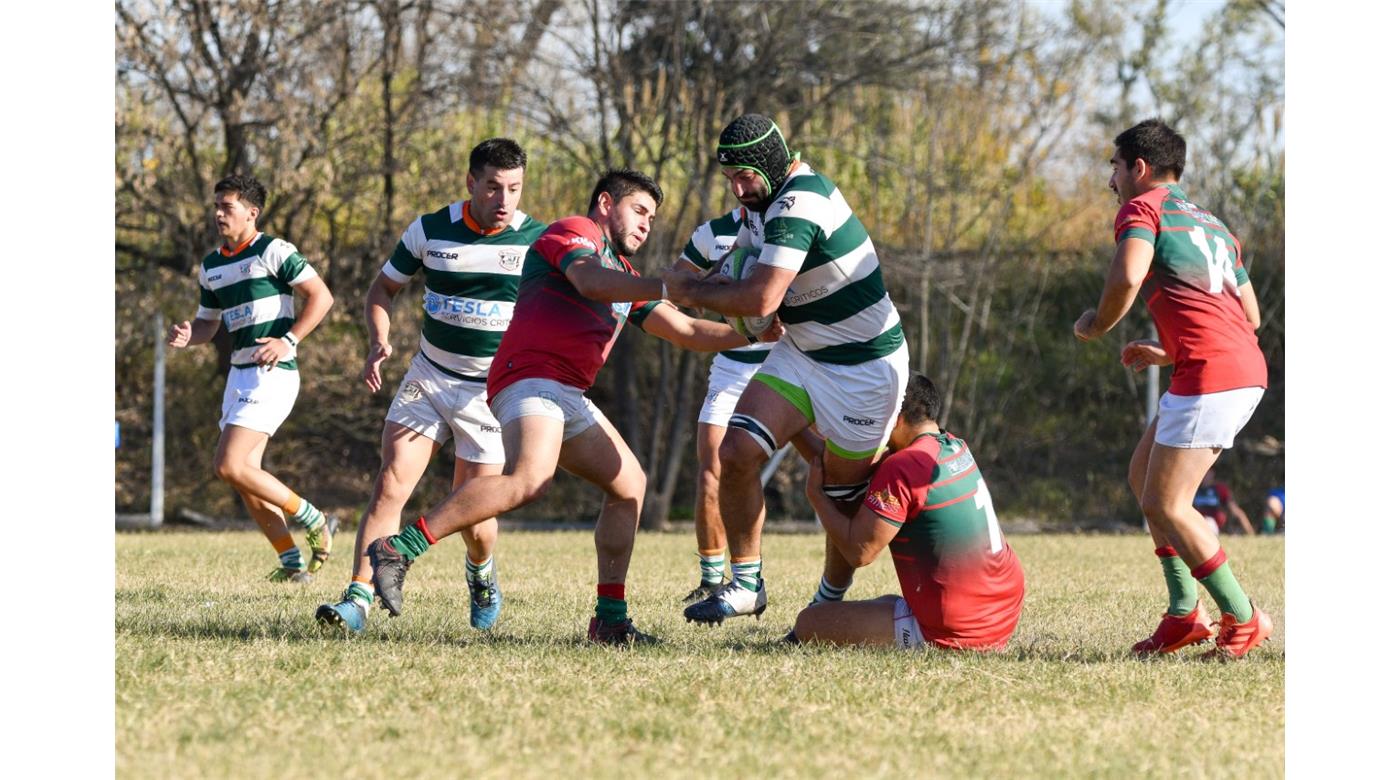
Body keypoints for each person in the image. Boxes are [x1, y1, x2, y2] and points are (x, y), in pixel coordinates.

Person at [366, 169, 775, 644]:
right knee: (530, 479)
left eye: (651, 218)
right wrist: (667, 287)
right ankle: (399, 548)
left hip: (566, 393)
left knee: (629, 486)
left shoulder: (626, 277)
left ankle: (609, 620)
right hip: (529, 376)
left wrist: (752, 332)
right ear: (606, 203)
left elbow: (686, 332)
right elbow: (586, 281)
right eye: (639, 210)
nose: (646, 225)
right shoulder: (574, 232)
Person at [663, 113, 910, 626]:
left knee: (839, 494)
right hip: (803, 352)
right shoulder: (761, 203)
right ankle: (747, 584)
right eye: (729, 178)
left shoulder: (801, 201)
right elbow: (753, 296)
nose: (737, 189)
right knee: (735, 452)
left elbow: (760, 295)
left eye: (744, 176)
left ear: (771, 162)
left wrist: (696, 292)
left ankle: (826, 606)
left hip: (863, 369)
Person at [316, 139, 546, 633]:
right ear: (470, 183)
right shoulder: (430, 230)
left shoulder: (536, 241)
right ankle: (357, 597)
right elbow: (383, 289)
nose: (504, 199)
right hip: (430, 377)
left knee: (476, 520)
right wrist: (379, 340)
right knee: (389, 486)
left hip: (491, 393)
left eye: (514, 188)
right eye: (493, 187)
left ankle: (481, 573)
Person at [1074, 118, 1271, 659]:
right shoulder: (1213, 225)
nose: (1111, 181)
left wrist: (1097, 324)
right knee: (1144, 479)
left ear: (1138, 168)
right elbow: (1248, 315)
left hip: (1215, 375)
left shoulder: (1142, 209)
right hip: (1228, 366)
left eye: (1114, 168)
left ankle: (1244, 615)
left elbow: (1129, 276)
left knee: (1168, 501)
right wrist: (1172, 349)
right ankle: (1185, 613)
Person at [167, 173, 336, 582]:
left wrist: (288, 340)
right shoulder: (211, 266)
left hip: (273, 374)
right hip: (240, 376)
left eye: (228, 207)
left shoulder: (273, 250)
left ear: (251, 213)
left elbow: (322, 296)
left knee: (228, 464)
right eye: (216, 207)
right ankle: (292, 565)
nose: (219, 213)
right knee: (247, 477)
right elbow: (209, 324)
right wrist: (192, 334)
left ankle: (313, 519)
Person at [793, 374, 1024, 650]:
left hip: (958, 630)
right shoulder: (952, 446)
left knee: (809, 623)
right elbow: (843, 471)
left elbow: (860, 551)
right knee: (884, 604)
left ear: (896, 416)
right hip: (1002, 611)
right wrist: (794, 427)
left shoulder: (903, 466)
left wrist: (816, 497)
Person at [672, 210, 824, 604]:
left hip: (789, 365)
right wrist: (712, 290)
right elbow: (678, 280)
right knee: (712, 472)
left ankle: (834, 587)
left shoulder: (792, 224)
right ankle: (711, 580)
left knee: (827, 467)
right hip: (731, 369)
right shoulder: (712, 233)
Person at [1192, 467, 1256, 536]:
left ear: (1212, 473)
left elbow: (1235, 510)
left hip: (1213, 525)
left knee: (1208, 522)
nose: (1204, 475)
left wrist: (1250, 531)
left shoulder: (1220, 489)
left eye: (1207, 472)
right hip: (1196, 523)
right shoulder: (1194, 489)